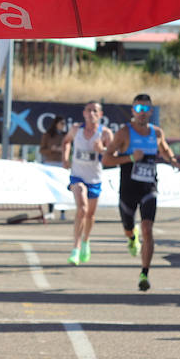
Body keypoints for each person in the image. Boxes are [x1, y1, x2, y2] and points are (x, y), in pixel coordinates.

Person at [103, 93, 178, 291]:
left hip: (149, 188)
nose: (142, 113)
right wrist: (130, 158)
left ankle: (144, 273)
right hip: (128, 189)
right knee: (129, 228)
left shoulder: (157, 132)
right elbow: (106, 160)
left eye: (146, 109)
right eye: (138, 109)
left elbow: (165, 149)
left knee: (147, 228)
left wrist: (173, 160)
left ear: (151, 111)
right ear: (133, 111)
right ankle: (131, 238)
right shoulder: (124, 133)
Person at [66, 101, 112, 265]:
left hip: (94, 178)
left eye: (95, 111)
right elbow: (66, 141)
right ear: (84, 113)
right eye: (88, 110)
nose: (91, 113)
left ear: (100, 115)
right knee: (82, 208)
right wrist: (66, 157)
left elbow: (113, 157)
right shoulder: (76, 129)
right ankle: (75, 249)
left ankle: (86, 240)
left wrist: (102, 150)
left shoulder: (105, 133)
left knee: (90, 214)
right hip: (77, 176)